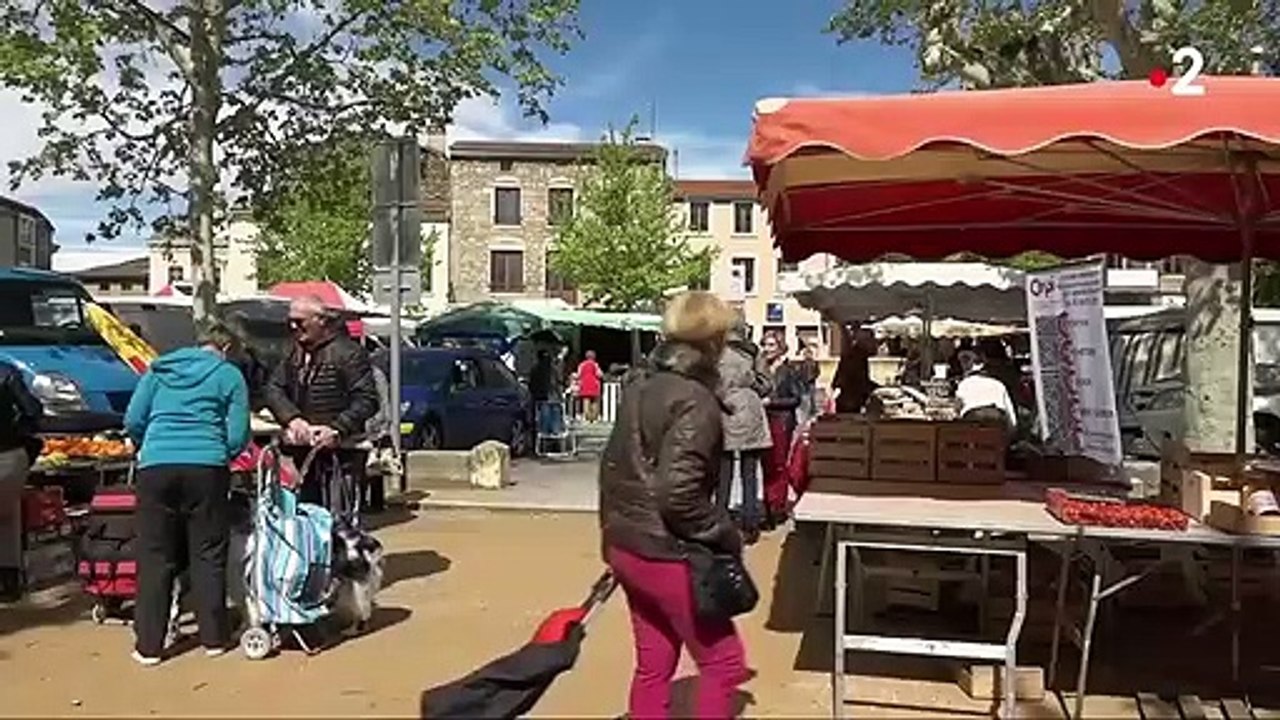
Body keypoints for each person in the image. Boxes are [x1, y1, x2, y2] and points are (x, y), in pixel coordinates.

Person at [598, 291, 748, 720]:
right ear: (717, 340)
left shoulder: (641, 386)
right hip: (667, 549)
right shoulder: (694, 399)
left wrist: (613, 536)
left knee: (653, 665)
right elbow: (677, 492)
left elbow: (612, 470)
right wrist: (723, 532)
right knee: (724, 664)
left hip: (628, 542)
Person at [123, 322, 251, 665]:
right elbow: (238, 433)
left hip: (156, 467)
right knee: (208, 553)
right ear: (226, 349)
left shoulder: (158, 370)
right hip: (206, 467)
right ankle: (214, 638)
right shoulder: (228, 376)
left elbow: (134, 418)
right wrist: (221, 452)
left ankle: (149, 646)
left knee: (155, 556)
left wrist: (146, 444)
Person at [265, 296, 379, 521]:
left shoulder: (349, 353)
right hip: (300, 450)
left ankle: (339, 554)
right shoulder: (291, 352)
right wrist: (293, 419)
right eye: (290, 321)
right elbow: (273, 388)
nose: (293, 327)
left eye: (300, 321)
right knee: (304, 516)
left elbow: (367, 399)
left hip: (342, 453)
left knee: (338, 519)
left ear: (320, 320)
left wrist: (336, 428)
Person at [716, 319, 771, 543]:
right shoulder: (752, 351)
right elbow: (766, 383)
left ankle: (720, 518)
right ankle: (750, 524)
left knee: (723, 471)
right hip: (749, 409)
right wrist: (752, 387)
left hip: (723, 408)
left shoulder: (714, 352)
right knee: (750, 472)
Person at [0, 361, 42, 602]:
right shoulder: (5, 371)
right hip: (9, 457)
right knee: (8, 514)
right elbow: (33, 410)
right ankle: (8, 581)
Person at [761, 333, 804, 528]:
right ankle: (769, 505)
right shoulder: (761, 369)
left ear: (780, 347)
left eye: (771, 345)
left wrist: (772, 402)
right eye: (765, 344)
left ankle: (777, 507)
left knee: (778, 465)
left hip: (782, 421)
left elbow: (795, 399)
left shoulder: (788, 370)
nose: (767, 348)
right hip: (764, 421)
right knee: (766, 464)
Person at [955, 350, 1018, 439]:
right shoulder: (998, 384)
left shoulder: (964, 385)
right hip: (997, 429)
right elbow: (1011, 418)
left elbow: (957, 408)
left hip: (972, 429)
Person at [833, 328, 878, 414]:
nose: (875, 345)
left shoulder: (857, 356)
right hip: (849, 403)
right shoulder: (856, 358)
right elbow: (860, 381)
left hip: (850, 401)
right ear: (864, 342)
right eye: (872, 341)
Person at [576, 350, 603, 423]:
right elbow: (599, 374)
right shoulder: (595, 364)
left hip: (584, 385)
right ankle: (594, 418)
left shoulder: (582, 365)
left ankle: (587, 418)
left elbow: (578, 375)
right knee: (594, 402)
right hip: (594, 385)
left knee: (586, 402)